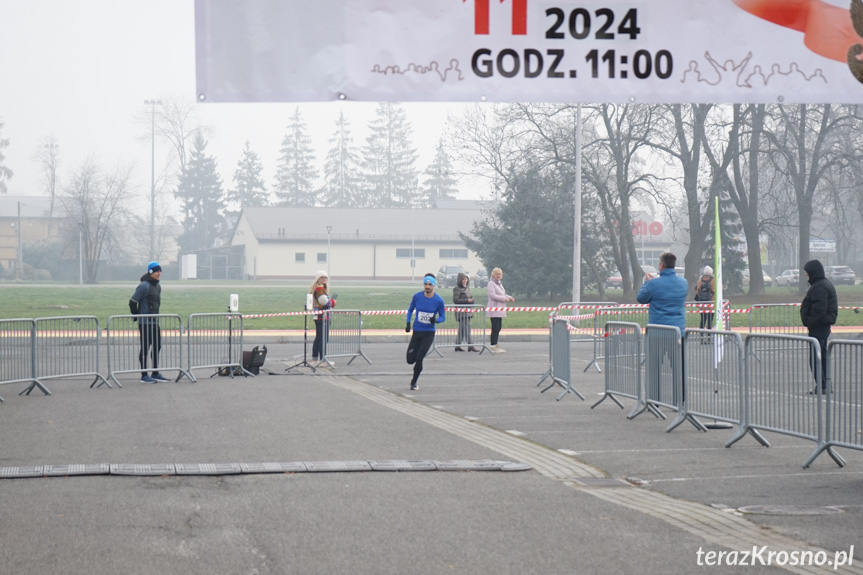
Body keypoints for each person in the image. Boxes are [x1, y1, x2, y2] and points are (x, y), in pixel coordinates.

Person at [637, 252, 688, 404]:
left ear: (661, 265)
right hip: (678, 331)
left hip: (657, 331)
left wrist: (647, 283)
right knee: (678, 368)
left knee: (654, 368)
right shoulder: (683, 283)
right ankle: (680, 399)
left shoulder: (653, 284)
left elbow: (641, 298)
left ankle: (654, 399)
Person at [129, 261, 170, 383]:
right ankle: (144, 375)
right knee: (145, 348)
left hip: (154, 322)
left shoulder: (158, 286)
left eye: (160, 271)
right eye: (157, 271)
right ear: (151, 272)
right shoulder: (144, 286)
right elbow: (132, 301)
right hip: (145, 323)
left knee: (157, 346)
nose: (159, 273)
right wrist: (136, 315)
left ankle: (155, 372)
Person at [800, 259, 838, 393]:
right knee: (820, 355)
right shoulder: (821, 285)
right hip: (821, 326)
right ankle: (824, 384)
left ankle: (823, 385)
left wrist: (809, 322)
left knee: (816, 356)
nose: (806, 275)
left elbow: (819, 311)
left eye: (808, 273)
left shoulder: (820, 287)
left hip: (819, 327)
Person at [405, 273, 446, 391]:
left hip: (428, 333)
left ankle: (414, 382)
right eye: (425, 284)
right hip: (417, 332)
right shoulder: (417, 296)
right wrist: (408, 323)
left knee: (419, 358)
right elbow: (410, 310)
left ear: (434, 286)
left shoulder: (438, 300)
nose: (427, 287)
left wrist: (436, 320)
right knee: (410, 360)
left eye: (430, 284)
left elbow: (443, 317)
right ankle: (414, 377)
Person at [486, 267, 515, 353]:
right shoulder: (491, 283)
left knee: (499, 327)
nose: (498, 276)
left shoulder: (499, 284)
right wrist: (504, 299)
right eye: (497, 274)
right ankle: (492, 345)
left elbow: (502, 293)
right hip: (494, 309)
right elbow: (492, 295)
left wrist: (509, 297)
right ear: (493, 275)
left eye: (499, 274)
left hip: (500, 309)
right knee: (495, 328)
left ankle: (496, 344)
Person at [310, 270, 335, 362]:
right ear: (318, 279)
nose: (324, 279)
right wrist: (332, 302)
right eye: (322, 277)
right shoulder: (320, 289)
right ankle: (323, 359)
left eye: (325, 277)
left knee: (319, 337)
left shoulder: (317, 288)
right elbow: (324, 301)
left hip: (318, 316)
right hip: (323, 317)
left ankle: (315, 357)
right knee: (324, 338)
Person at [452, 272, 479, 352]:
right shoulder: (457, 289)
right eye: (463, 279)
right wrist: (467, 300)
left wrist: (471, 301)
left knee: (462, 329)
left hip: (468, 311)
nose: (465, 281)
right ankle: (470, 345)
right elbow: (456, 300)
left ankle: (457, 345)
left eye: (466, 279)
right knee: (467, 328)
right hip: (461, 312)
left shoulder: (467, 288)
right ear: (460, 280)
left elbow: (470, 297)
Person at [694, 265, 716, 331]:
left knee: (702, 321)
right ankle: (709, 337)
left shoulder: (700, 281)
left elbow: (697, 291)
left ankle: (701, 337)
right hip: (711, 304)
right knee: (709, 322)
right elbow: (715, 291)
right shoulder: (714, 281)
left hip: (702, 304)